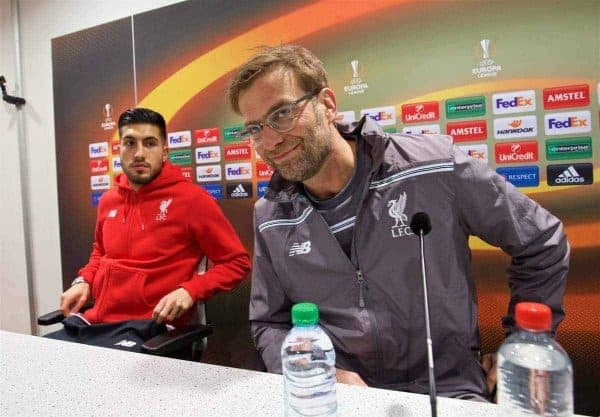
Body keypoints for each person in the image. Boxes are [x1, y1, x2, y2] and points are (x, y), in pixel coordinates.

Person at [227, 45, 569, 400]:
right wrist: (319, 371)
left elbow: (541, 241)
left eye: (282, 113)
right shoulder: (270, 215)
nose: (270, 140)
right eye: (255, 128)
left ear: (327, 105)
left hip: (449, 391)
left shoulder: (433, 167)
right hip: (339, 400)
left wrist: (525, 343)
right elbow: (269, 323)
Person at [47, 107, 251, 352]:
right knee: (37, 366)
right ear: (119, 149)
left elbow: (237, 263)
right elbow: (100, 252)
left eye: (150, 143)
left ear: (164, 152)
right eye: (130, 143)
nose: (139, 153)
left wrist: (191, 290)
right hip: (95, 323)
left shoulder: (192, 200)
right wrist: (84, 280)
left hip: (151, 330)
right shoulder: (109, 200)